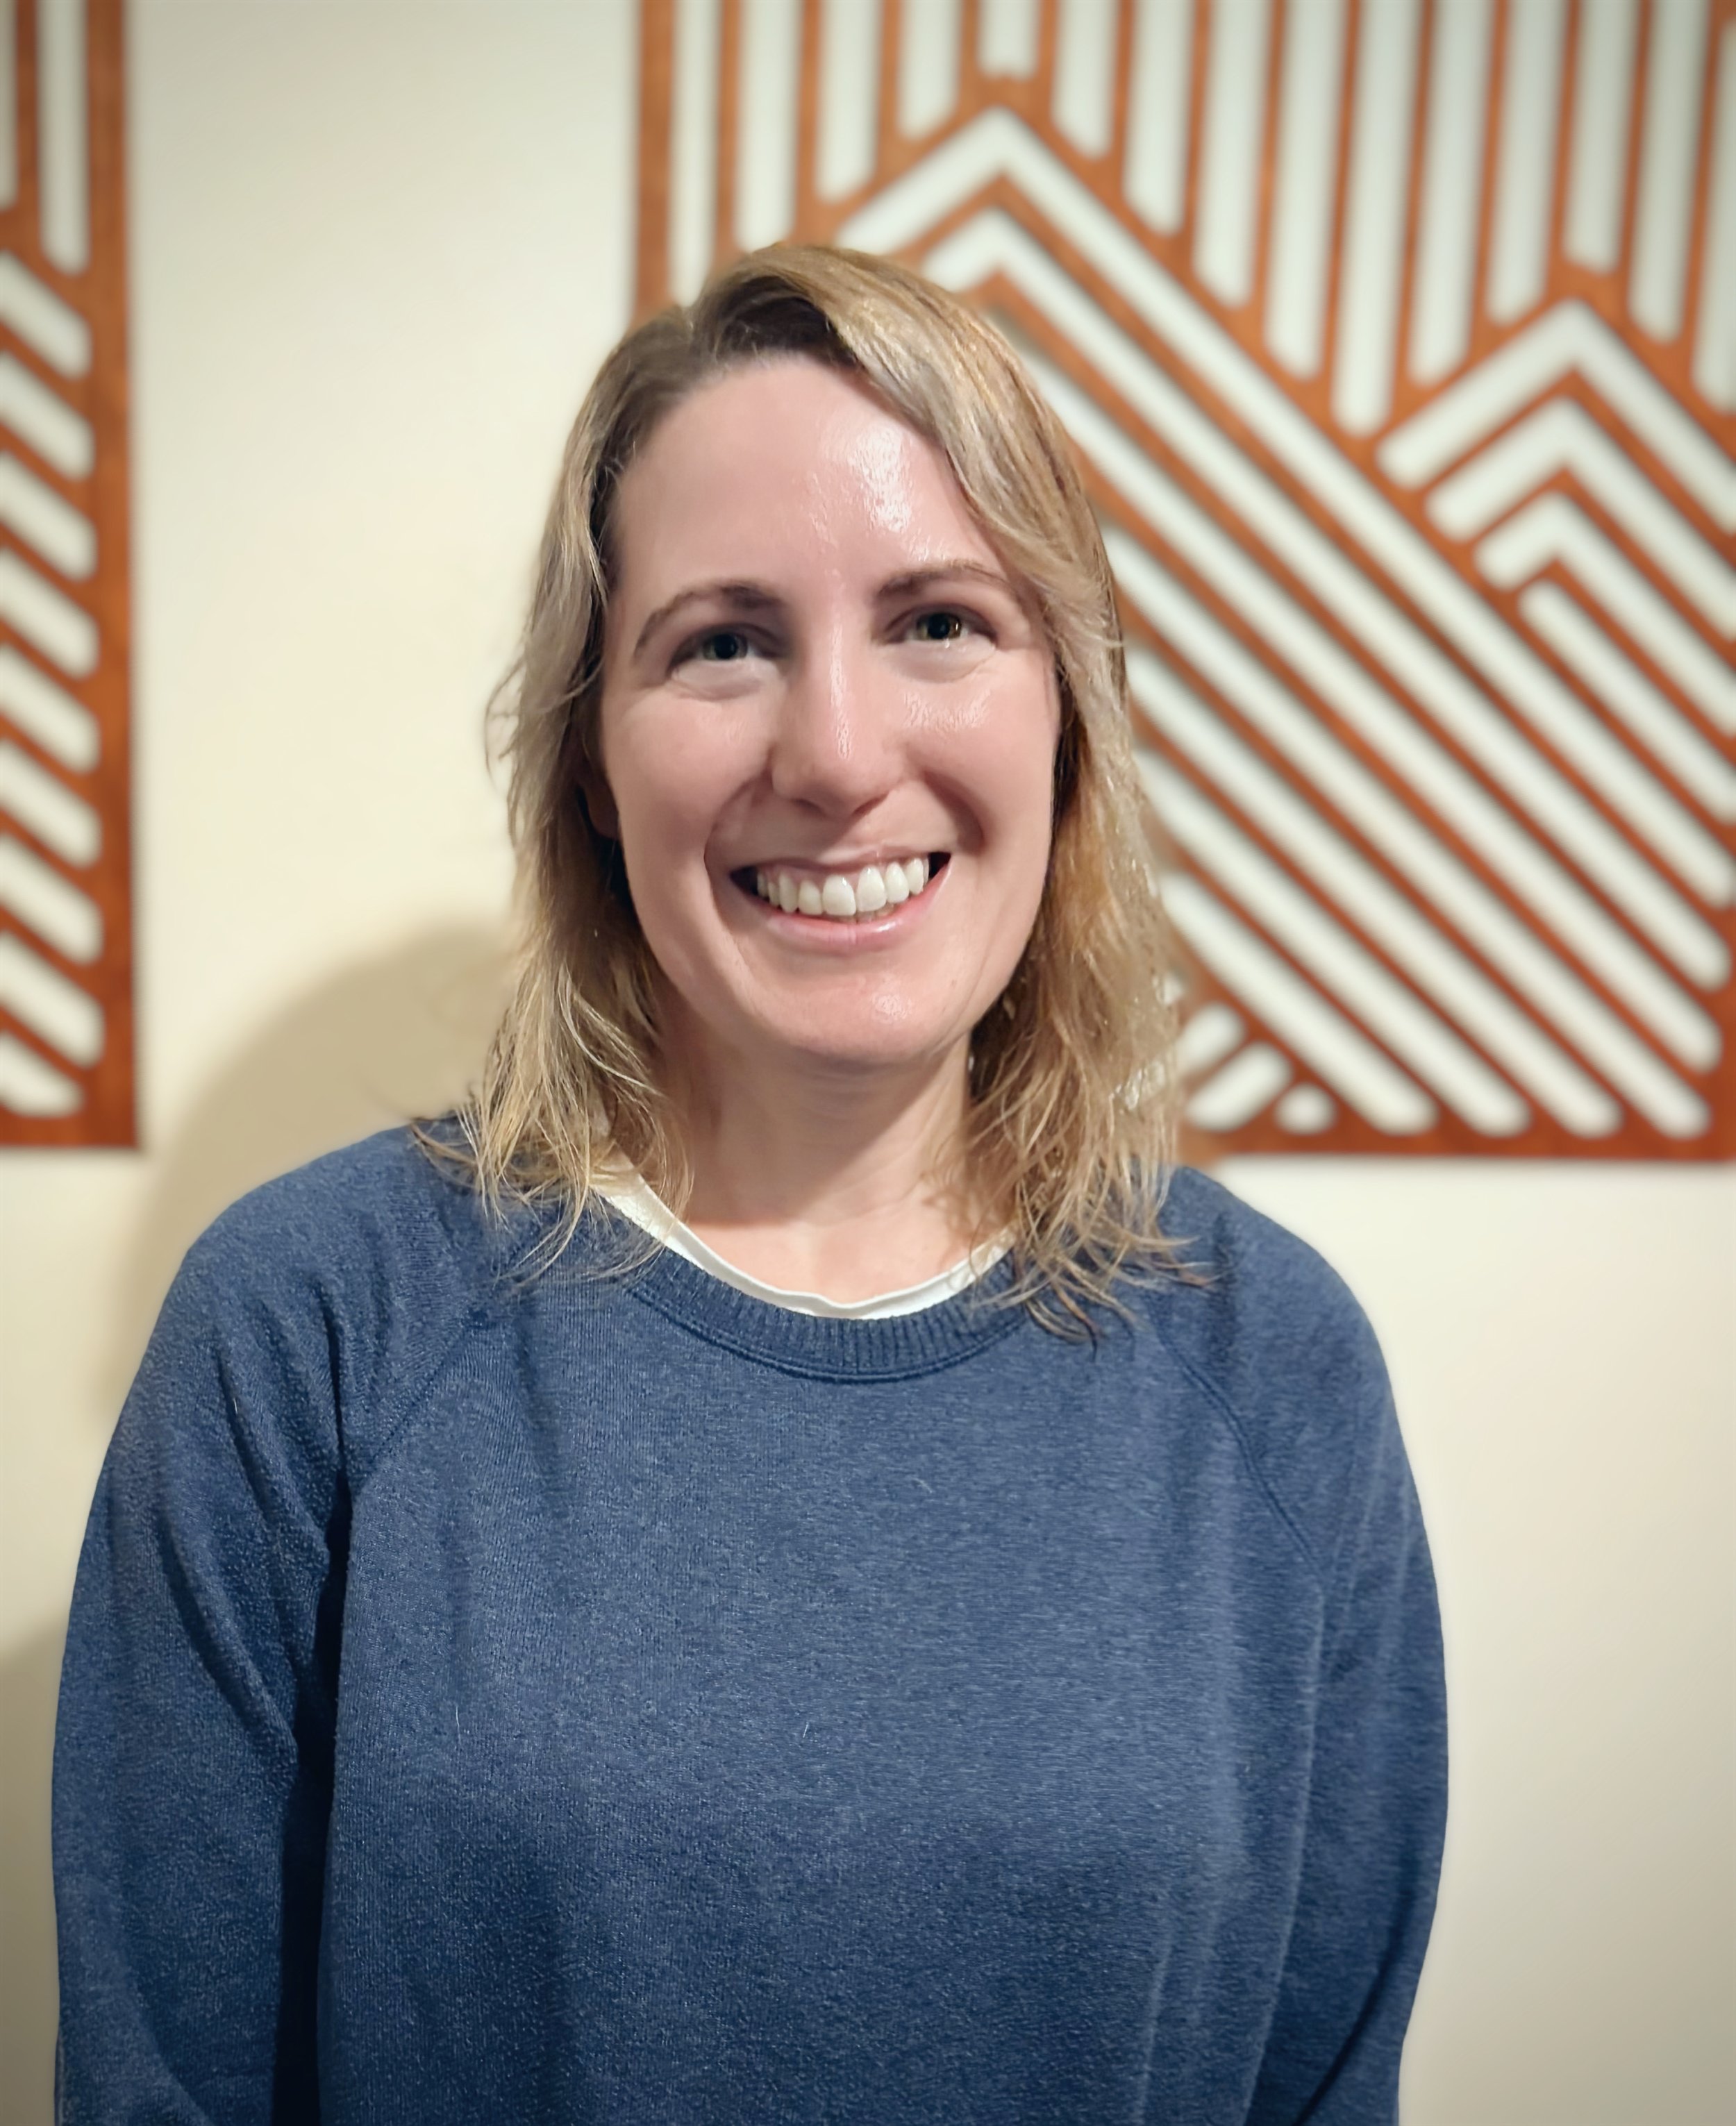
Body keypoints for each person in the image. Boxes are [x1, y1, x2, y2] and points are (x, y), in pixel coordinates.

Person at [52, 247, 1446, 2123]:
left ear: (1068, 713)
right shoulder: (312, 1330)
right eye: (723, 642)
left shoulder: (1273, 1369)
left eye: (938, 620)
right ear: (589, 758)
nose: (839, 755)